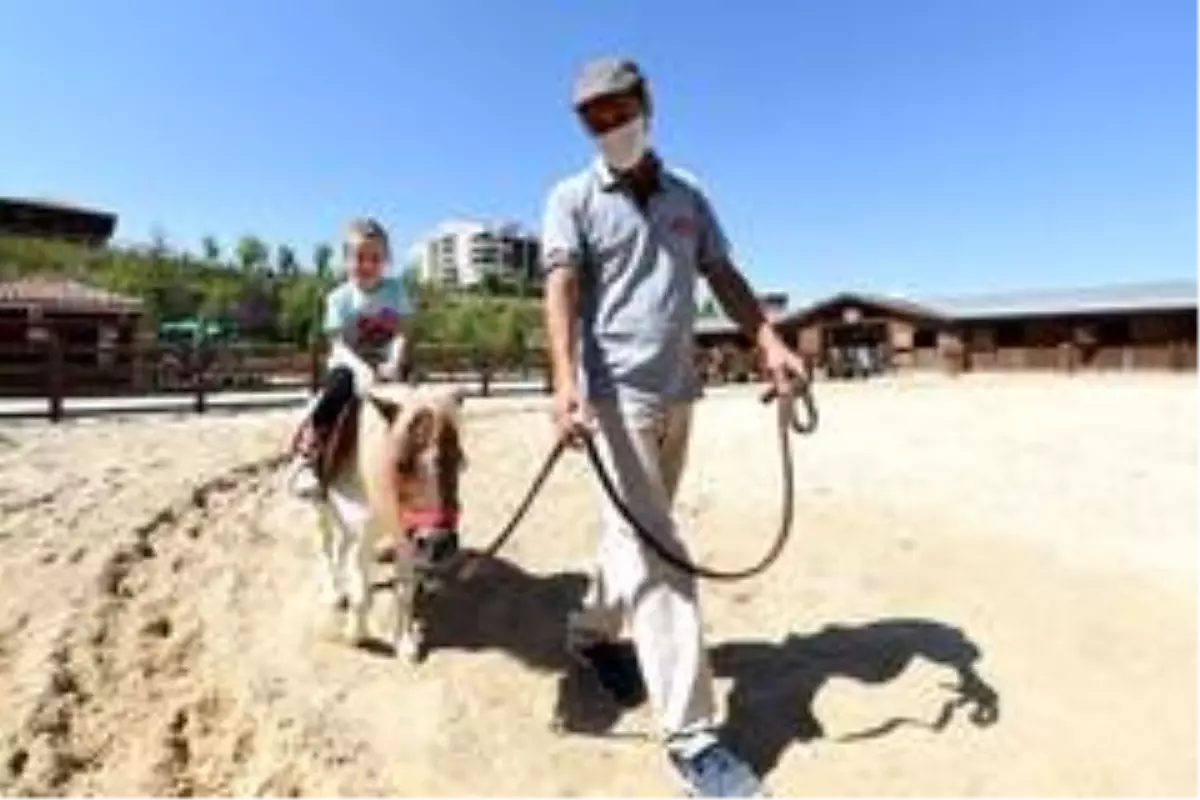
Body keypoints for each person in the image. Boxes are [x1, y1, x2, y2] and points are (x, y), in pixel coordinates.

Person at [540, 56, 809, 798]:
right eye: (591, 119)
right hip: (614, 399)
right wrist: (566, 383)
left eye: (616, 110)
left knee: (629, 535)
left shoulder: (689, 194)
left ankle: (591, 632)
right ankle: (692, 737)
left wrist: (769, 338)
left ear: (645, 103)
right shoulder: (571, 198)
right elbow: (560, 289)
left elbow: (722, 273)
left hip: (680, 393)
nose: (606, 127)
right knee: (662, 553)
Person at [286, 217, 412, 499]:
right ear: (346, 260)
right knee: (337, 389)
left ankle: (415, 465)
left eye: (375, 257)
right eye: (359, 257)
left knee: (413, 404)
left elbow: (402, 332)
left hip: (386, 363)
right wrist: (360, 369)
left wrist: (394, 360)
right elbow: (337, 343)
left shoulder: (396, 290)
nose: (367, 264)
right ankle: (309, 454)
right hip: (348, 362)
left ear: (386, 259)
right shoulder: (339, 298)